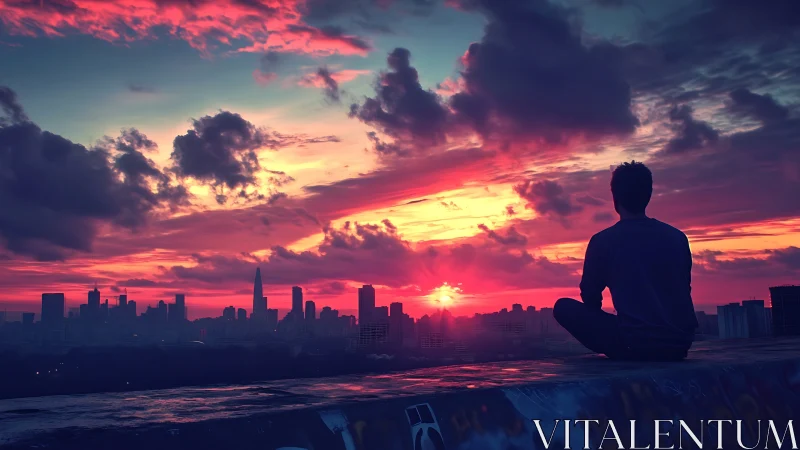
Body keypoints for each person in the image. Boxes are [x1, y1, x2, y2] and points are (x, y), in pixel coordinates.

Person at [553, 161, 698, 361]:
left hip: (635, 345)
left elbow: (591, 297)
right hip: (679, 344)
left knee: (563, 307)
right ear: (648, 195)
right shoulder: (677, 237)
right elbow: (683, 289)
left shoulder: (603, 241)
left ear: (615, 198)